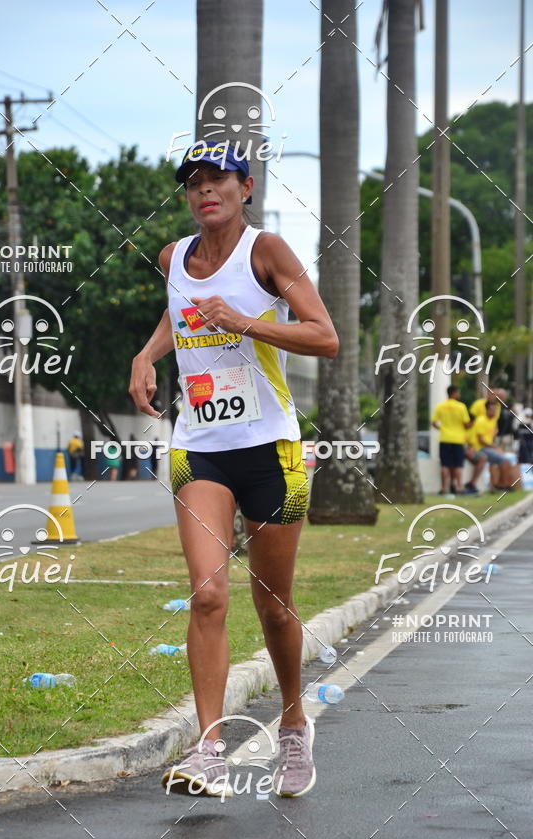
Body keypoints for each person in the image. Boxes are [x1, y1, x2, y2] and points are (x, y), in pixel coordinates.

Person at [129, 140, 339, 799]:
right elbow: (180, 306)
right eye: (193, 181)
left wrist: (247, 322)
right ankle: (210, 747)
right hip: (201, 447)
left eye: (217, 177)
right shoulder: (174, 259)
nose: (204, 189)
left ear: (245, 187)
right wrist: (148, 355)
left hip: (271, 449)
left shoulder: (267, 252)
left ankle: (295, 725)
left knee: (275, 607)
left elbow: (324, 335)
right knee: (208, 593)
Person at [467, 400, 518, 491]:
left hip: (488, 447)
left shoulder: (493, 420)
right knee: (503, 460)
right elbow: (481, 440)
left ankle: (500, 484)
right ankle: (502, 485)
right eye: (492, 410)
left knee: (505, 460)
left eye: (495, 410)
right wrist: (495, 447)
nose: (494, 412)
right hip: (480, 448)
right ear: (486, 410)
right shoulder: (481, 420)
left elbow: (491, 435)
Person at [431, 385, 471, 495]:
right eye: (458, 392)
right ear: (454, 393)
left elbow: (433, 422)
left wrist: (442, 429)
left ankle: (444, 488)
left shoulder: (440, 406)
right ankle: (459, 487)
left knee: (445, 465)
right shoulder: (461, 407)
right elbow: (466, 423)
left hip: (445, 438)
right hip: (458, 439)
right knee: (458, 465)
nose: (459, 394)